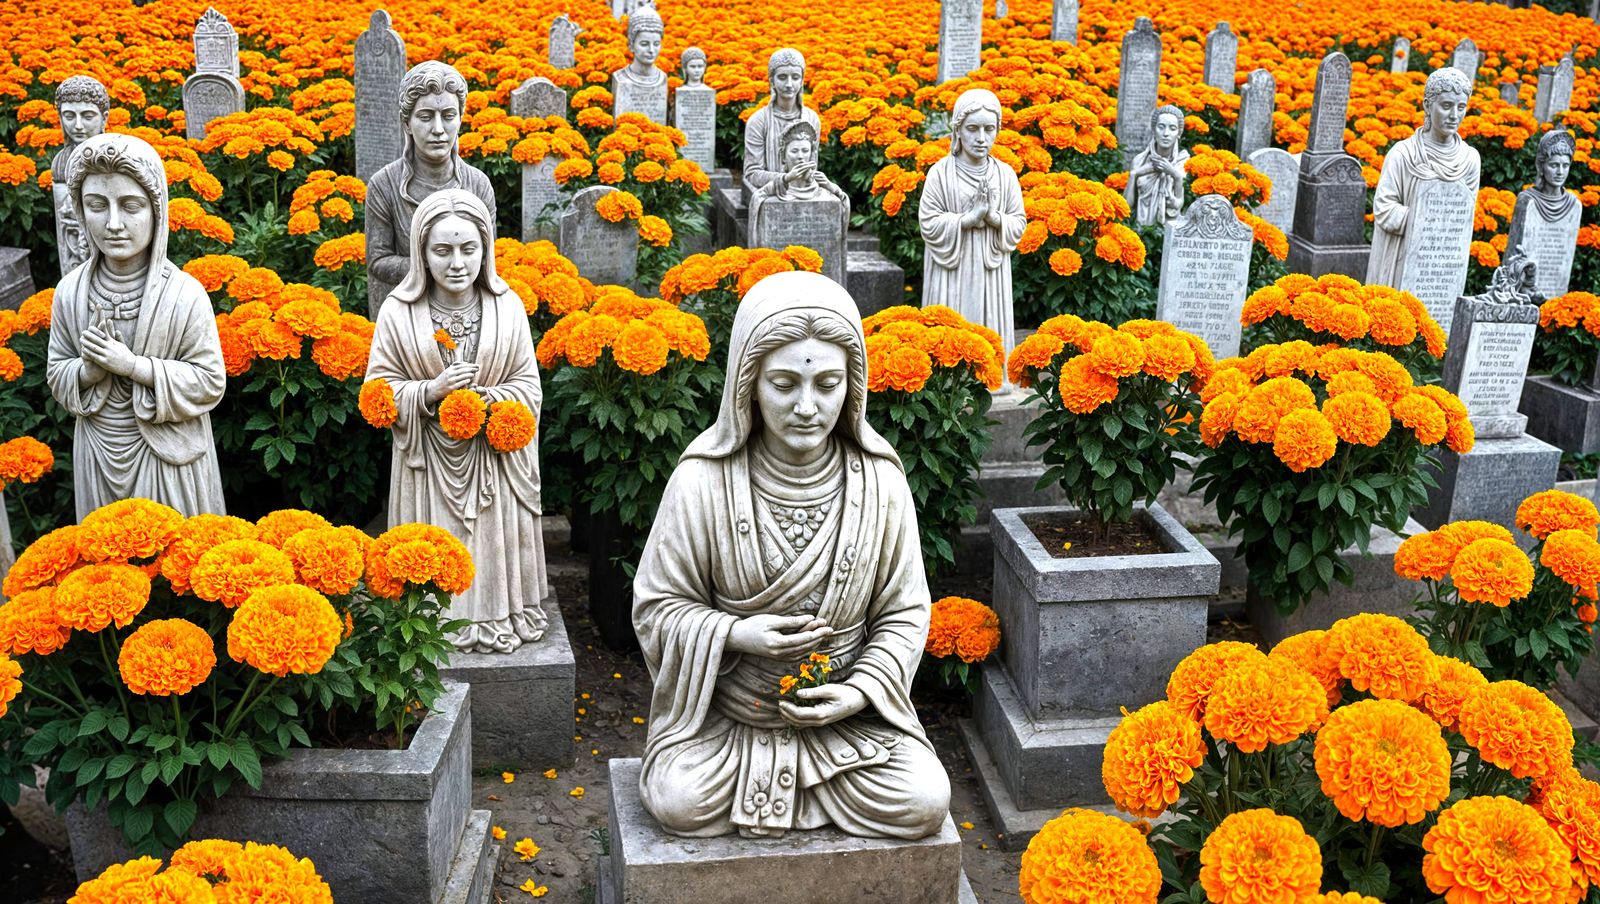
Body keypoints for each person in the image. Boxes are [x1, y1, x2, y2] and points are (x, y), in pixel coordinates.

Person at [633, 271, 951, 841]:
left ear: (852, 389)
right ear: (747, 385)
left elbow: (904, 612)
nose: (807, 407)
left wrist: (858, 691)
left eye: (827, 384)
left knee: (925, 799)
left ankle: (816, 779)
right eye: (784, 384)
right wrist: (735, 635)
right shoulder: (702, 481)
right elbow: (658, 606)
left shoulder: (880, 482)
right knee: (677, 798)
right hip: (731, 721)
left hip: (846, 725)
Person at [366, 189, 549, 654]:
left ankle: (498, 612)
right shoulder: (398, 312)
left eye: (469, 249)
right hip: (426, 466)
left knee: (488, 556)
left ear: (486, 249)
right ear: (421, 253)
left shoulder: (507, 308)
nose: (457, 263)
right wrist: (430, 391)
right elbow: (378, 392)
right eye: (442, 250)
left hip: (494, 469)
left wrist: (485, 401)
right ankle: (429, 622)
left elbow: (529, 388)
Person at [46, 134, 227, 519]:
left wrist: (132, 367)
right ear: (79, 212)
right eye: (97, 206)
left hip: (167, 458)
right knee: (106, 567)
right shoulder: (70, 292)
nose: (113, 224)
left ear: (157, 211)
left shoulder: (185, 294)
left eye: (131, 206)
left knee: (174, 565)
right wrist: (87, 371)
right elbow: (57, 372)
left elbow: (210, 381)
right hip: (97, 450)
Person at [365, 61, 497, 319]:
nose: (438, 130)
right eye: (425, 117)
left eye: (448, 116)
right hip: (406, 313)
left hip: (467, 314)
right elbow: (378, 261)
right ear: (407, 123)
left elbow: (487, 261)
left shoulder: (478, 185)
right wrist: (432, 265)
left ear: (460, 118)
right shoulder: (384, 185)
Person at [917, 88, 1026, 362]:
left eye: (989, 129)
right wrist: (967, 219)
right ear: (957, 130)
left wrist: (993, 218)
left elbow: (1018, 222)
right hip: (951, 270)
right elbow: (928, 222)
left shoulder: (1006, 175)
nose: (981, 138)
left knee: (987, 334)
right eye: (972, 128)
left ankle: (989, 373)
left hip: (991, 274)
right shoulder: (940, 173)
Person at [1367, 67, 1480, 289]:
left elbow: (1465, 217)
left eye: (1461, 107)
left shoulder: (1469, 159)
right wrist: (1425, 219)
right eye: (1446, 106)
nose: (1454, 115)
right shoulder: (1404, 154)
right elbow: (1383, 209)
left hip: (1445, 264)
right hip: (1400, 258)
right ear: (1428, 105)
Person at [748, 121, 850, 254]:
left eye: (805, 151)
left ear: (812, 155)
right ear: (783, 157)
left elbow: (843, 201)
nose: (800, 157)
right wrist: (786, 178)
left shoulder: (826, 191)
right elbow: (758, 197)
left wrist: (831, 187)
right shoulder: (774, 191)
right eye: (794, 151)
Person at [742, 48, 822, 201]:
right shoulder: (758, 121)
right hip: (768, 191)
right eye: (782, 77)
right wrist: (786, 178)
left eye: (795, 77)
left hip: (802, 191)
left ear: (802, 80)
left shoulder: (811, 119)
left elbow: (811, 168)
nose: (789, 84)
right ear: (772, 80)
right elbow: (752, 174)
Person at [52, 75, 110, 276]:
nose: (77, 125)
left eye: (87, 116)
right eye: (69, 116)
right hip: (73, 249)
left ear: (104, 117)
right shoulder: (61, 163)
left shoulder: (115, 160)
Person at [1124, 104, 1189, 227]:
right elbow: (1126, 207)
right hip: (1140, 230)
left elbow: (1178, 206)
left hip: (1167, 233)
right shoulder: (1139, 161)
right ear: (1154, 130)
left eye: (1172, 128)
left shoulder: (1183, 163)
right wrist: (1134, 175)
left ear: (1179, 133)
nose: (1166, 133)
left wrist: (1175, 174)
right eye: (1161, 127)